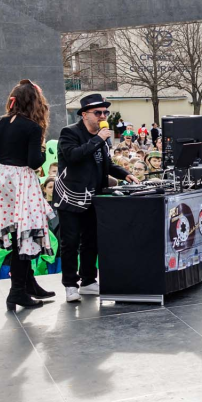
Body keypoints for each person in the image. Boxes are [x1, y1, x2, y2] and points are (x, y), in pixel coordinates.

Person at [0, 80, 57, 307]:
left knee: (19, 235)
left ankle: (28, 284)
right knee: (25, 236)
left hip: (1, 181)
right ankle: (17, 291)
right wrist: (41, 148)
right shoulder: (32, 127)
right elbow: (34, 162)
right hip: (23, 183)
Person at [54, 93, 127, 303]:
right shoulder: (69, 132)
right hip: (71, 196)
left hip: (94, 196)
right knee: (70, 242)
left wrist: (124, 174)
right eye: (98, 112)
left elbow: (107, 164)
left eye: (105, 112)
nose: (103, 116)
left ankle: (88, 281)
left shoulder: (101, 139)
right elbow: (74, 156)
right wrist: (99, 139)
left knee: (91, 240)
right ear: (85, 114)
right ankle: (70, 284)